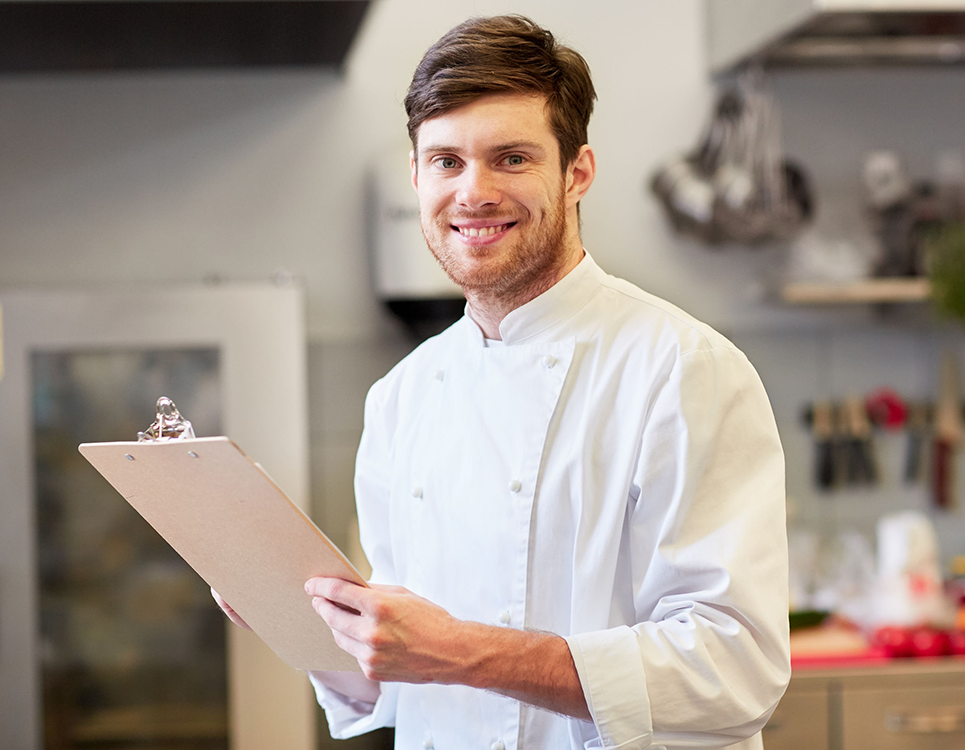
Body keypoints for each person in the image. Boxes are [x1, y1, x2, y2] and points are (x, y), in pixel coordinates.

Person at [217, 14, 790, 750]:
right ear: (416, 174)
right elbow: (398, 684)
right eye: (447, 161)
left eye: (511, 158)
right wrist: (305, 625)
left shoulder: (680, 368)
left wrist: (456, 648)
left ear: (577, 172)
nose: (473, 192)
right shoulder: (402, 396)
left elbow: (736, 668)